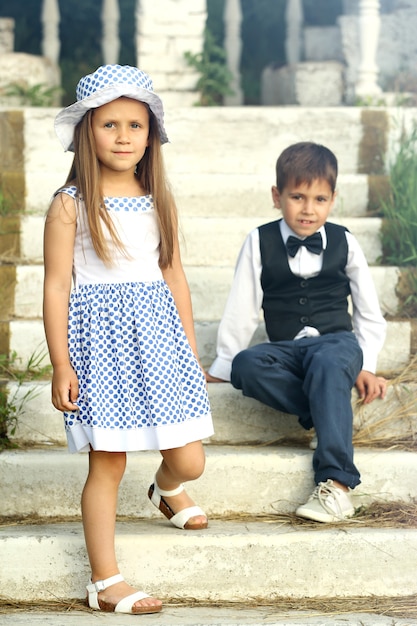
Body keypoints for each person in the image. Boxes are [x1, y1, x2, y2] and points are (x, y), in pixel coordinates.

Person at [43, 64, 214, 615]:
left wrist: (189, 350)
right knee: (108, 463)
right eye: (109, 124)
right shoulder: (70, 203)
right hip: (103, 350)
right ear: (86, 132)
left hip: (160, 344)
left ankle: (167, 489)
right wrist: (61, 364)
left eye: (135, 126)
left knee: (190, 460)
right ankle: (104, 579)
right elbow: (55, 285)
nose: (122, 136)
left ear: (150, 135)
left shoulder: (157, 197)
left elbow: (174, 276)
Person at [206, 141, 387, 524]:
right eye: (297, 197)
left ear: (333, 199)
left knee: (327, 360)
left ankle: (337, 484)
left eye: (319, 199)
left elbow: (369, 313)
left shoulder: (345, 241)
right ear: (277, 196)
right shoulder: (259, 240)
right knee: (247, 365)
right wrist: (223, 365)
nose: (308, 209)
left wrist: (366, 364)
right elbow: (243, 307)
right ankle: (325, 407)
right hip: (285, 348)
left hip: (337, 344)